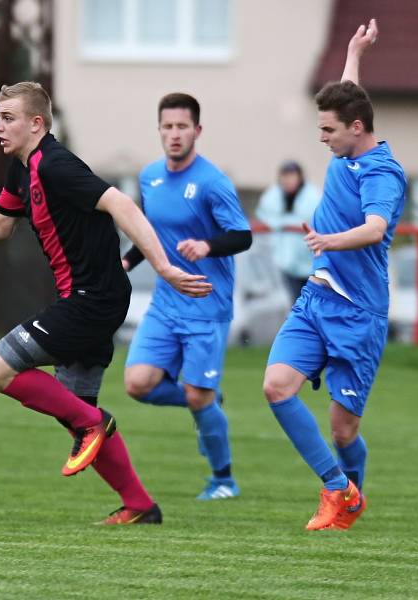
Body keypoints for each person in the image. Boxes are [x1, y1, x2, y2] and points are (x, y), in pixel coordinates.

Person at [0, 82, 212, 525]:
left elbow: (123, 206)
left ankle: (93, 424)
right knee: (78, 416)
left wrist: (165, 268)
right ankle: (140, 506)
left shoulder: (55, 164)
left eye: (8, 118)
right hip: (87, 299)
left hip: (93, 300)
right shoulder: (21, 169)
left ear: (37, 124)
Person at [262, 19, 406, 530]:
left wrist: (327, 241)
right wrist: (354, 53)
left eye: (327, 130)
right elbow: (352, 99)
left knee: (343, 430)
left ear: (356, 130)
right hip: (317, 299)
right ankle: (334, 488)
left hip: (359, 313)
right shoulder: (351, 135)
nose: (321, 138)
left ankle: (352, 495)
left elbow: (374, 228)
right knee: (277, 386)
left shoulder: (382, 173)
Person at [121, 93, 252, 500]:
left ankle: (223, 480)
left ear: (197, 130)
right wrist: (125, 263)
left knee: (198, 397)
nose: (174, 134)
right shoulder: (150, 177)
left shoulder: (213, 183)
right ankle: (208, 402)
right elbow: (148, 234)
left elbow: (242, 236)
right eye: (167, 126)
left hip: (206, 305)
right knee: (137, 384)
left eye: (182, 127)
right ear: (159, 130)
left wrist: (207, 247)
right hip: (166, 303)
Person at [255, 160, 321, 302]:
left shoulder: (313, 197)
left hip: (310, 262)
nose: (288, 181)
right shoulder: (272, 196)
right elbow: (263, 221)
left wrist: (283, 225)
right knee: (292, 303)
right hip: (282, 263)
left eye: (292, 176)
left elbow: (316, 224)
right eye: (285, 176)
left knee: (310, 303)